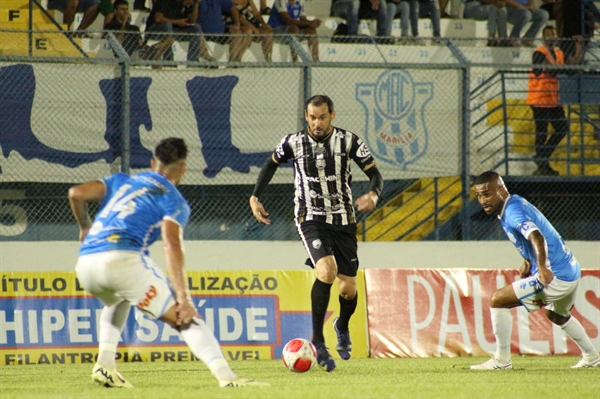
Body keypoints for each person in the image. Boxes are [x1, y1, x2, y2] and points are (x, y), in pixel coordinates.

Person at [69, 137, 269, 388]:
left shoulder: (123, 180)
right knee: (185, 318)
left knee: (119, 297)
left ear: (154, 163)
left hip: (86, 263)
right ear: (183, 168)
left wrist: (85, 227)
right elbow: (171, 244)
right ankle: (227, 378)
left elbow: (76, 194)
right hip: (121, 260)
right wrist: (183, 299)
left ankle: (105, 364)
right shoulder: (173, 200)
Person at [249, 95, 383, 372]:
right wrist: (255, 196)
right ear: (305, 116)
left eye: (322, 117)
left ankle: (341, 326)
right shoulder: (292, 142)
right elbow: (270, 164)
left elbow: (375, 174)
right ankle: (318, 341)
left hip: (344, 220)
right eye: (312, 117)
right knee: (326, 271)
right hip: (310, 217)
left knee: (348, 289)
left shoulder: (350, 141)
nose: (317, 123)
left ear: (332, 114)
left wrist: (373, 193)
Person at [470, 171, 600, 370]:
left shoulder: (512, 212)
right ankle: (592, 357)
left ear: (501, 190)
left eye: (487, 194)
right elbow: (532, 234)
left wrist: (541, 268)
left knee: (498, 300)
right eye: (479, 196)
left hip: (555, 274)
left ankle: (502, 361)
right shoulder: (513, 203)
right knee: (557, 316)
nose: (482, 200)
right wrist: (528, 260)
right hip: (570, 268)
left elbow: (536, 236)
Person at [526, 26, 582, 176]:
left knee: (561, 128)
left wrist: (578, 48)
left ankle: (542, 157)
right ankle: (542, 163)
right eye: (548, 34)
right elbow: (543, 69)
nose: (551, 37)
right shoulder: (539, 53)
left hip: (553, 99)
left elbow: (571, 66)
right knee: (542, 131)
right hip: (539, 98)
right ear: (544, 38)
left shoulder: (558, 53)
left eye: (553, 34)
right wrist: (557, 69)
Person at [104, 0, 174, 64]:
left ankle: (155, 53)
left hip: (139, 52)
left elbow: (140, 43)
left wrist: (148, 48)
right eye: (122, 9)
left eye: (127, 9)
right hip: (125, 53)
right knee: (155, 57)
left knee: (169, 40)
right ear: (115, 11)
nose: (125, 12)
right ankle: (154, 55)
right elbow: (119, 41)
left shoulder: (134, 28)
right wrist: (124, 23)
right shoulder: (111, 26)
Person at [145, 0, 214, 64]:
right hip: (155, 30)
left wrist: (196, 5)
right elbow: (158, 19)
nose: (187, 6)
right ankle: (168, 59)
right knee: (168, 26)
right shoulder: (165, 1)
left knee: (196, 27)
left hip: (174, 30)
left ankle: (192, 60)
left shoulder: (188, 5)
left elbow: (192, 21)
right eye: (187, 3)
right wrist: (177, 22)